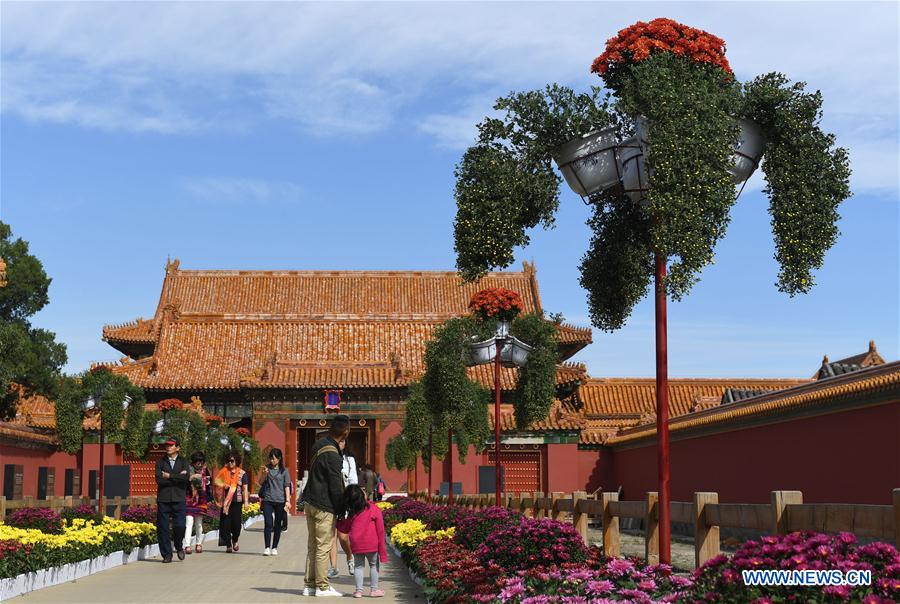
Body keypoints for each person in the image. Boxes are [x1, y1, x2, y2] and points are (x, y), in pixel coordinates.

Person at [301, 414, 349, 598]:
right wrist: (341, 510)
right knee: (323, 546)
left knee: (313, 545)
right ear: (345, 432)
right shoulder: (334, 456)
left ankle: (309, 585)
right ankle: (322, 586)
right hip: (324, 505)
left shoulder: (318, 445)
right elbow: (336, 487)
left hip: (310, 501)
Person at [336, 484, 387, 598]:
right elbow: (380, 530)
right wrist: (382, 551)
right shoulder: (373, 509)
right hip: (371, 543)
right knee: (373, 565)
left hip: (356, 544)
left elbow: (344, 528)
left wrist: (338, 521)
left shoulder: (352, 513)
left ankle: (358, 591)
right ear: (362, 496)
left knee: (358, 567)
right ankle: (374, 590)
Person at [155, 436, 191, 563]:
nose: (168, 447)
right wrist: (177, 478)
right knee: (163, 527)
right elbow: (159, 480)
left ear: (178, 448)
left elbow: (185, 478)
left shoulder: (183, 462)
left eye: (171, 445)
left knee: (180, 525)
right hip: (163, 498)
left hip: (179, 498)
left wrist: (169, 476)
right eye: (167, 445)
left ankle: (179, 546)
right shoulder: (160, 462)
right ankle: (166, 554)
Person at [329, 438, 357, 578]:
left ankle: (350, 557)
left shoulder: (349, 460)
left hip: (344, 502)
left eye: (342, 441)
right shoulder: (328, 458)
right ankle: (333, 567)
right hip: (329, 501)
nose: (339, 443)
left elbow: (353, 482)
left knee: (343, 536)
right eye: (337, 441)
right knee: (331, 536)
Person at [259, 448, 291, 556]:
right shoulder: (266, 469)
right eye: (270, 458)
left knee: (277, 525)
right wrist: (264, 474)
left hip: (280, 501)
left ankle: (274, 547)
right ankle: (267, 547)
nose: (271, 460)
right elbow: (260, 482)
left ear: (279, 458)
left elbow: (286, 486)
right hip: (268, 500)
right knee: (268, 523)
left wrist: (287, 501)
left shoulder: (284, 471)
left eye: (273, 458)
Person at [214, 453, 249, 553]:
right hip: (225, 503)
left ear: (237, 461)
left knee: (236, 524)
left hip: (237, 502)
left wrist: (246, 502)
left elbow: (245, 489)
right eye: (228, 461)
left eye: (232, 461)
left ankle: (235, 540)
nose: (230, 463)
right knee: (225, 524)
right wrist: (223, 485)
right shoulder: (223, 472)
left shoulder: (242, 473)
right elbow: (216, 483)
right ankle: (228, 545)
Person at [182, 451, 213, 554]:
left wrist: (209, 498)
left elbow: (209, 485)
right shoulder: (188, 470)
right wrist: (190, 479)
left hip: (201, 499)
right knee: (189, 522)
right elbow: (183, 483)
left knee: (199, 524)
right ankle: (187, 545)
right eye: (197, 462)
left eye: (201, 462)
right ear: (193, 462)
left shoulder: (205, 471)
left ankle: (198, 543)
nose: (199, 464)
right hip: (189, 499)